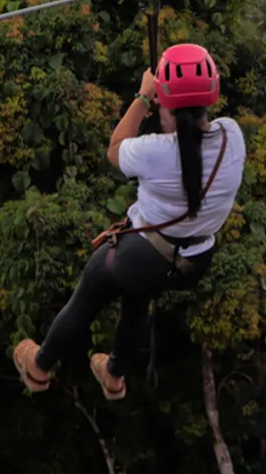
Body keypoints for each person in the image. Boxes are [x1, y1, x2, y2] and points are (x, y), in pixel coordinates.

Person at [13, 42, 246, 401]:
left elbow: (115, 148)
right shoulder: (233, 135)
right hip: (194, 261)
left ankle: (39, 366)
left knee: (88, 297)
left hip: (143, 254)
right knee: (138, 297)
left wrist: (142, 97)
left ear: (164, 101)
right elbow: (192, 148)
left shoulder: (154, 151)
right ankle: (114, 376)